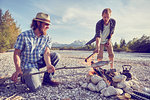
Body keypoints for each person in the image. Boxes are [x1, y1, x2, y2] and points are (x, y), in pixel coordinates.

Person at [11, 12, 60, 92]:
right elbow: (17, 53)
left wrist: (48, 65)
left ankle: (47, 79)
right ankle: (24, 76)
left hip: (39, 62)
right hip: (28, 66)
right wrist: (18, 69)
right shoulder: (23, 35)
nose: (48, 27)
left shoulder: (47, 38)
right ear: (38, 23)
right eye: (46, 24)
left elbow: (47, 52)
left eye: (49, 25)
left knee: (56, 55)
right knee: (36, 88)